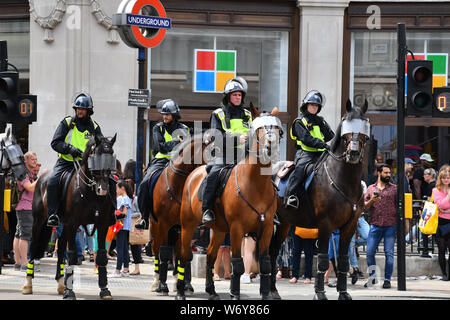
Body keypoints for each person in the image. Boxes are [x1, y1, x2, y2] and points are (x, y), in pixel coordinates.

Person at [46, 92, 103, 227]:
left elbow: (100, 146)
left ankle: (111, 211)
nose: (79, 111)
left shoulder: (94, 127)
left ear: (88, 111)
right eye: (77, 108)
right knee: (52, 181)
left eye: (82, 109)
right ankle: (53, 214)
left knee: (108, 179)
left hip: (87, 165)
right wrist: (70, 149)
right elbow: (55, 142)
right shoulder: (67, 122)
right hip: (66, 162)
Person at [201, 77, 252, 224]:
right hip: (224, 154)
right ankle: (207, 209)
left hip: (245, 154)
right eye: (235, 95)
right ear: (228, 97)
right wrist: (237, 139)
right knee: (214, 174)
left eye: (240, 95)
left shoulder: (248, 115)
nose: (238, 97)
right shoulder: (218, 114)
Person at [136, 99, 189, 230]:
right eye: (164, 114)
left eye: (168, 114)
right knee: (144, 184)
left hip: (179, 162)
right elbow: (160, 147)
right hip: (161, 161)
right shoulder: (157, 127)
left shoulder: (184, 129)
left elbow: (187, 147)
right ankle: (144, 217)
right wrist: (176, 142)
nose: (164, 117)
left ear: (174, 115)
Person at [284, 90, 335, 209]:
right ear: (306, 105)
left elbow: (330, 136)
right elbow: (306, 139)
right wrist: (322, 144)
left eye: (316, 105)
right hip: (305, 154)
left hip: (321, 154)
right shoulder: (299, 121)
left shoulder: (320, 120)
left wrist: (324, 126)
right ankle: (291, 196)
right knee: (300, 170)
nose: (314, 107)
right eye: (312, 105)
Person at [364, 163, 397, 289]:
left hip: (390, 225)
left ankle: (387, 280)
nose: (388, 175)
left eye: (389, 173)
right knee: (369, 252)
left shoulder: (394, 188)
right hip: (375, 225)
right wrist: (372, 200)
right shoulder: (371, 188)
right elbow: (364, 206)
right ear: (379, 173)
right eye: (386, 173)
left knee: (389, 253)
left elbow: (399, 205)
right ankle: (372, 278)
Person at [13, 152, 42, 271]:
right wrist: (41, 177)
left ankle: (18, 262)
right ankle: (25, 264)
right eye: (33, 160)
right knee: (25, 236)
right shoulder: (23, 173)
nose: (35, 162)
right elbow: (29, 187)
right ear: (26, 160)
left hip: (23, 206)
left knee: (19, 235)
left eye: (36, 159)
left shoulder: (25, 172)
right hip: (25, 207)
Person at [110, 179, 133, 277]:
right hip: (125, 226)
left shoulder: (124, 198)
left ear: (122, 188)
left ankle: (118, 270)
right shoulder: (126, 198)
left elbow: (123, 213)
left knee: (120, 248)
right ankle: (126, 269)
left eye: (117, 188)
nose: (116, 190)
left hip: (121, 226)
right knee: (124, 248)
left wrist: (114, 215)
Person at [431, 165, 450, 280]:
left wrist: (445, 209)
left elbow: (443, 207)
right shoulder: (435, 190)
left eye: (448, 178)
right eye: (444, 178)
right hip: (440, 223)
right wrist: (448, 197)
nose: (446, 180)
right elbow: (440, 205)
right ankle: (444, 273)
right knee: (441, 249)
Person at [421, 167, 437, 258]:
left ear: (430, 175)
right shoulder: (433, 185)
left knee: (425, 231)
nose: (423, 176)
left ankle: (425, 251)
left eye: (425, 174)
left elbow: (429, 200)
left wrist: (423, 210)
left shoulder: (431, 186)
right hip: (432, 211)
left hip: (430, 211)